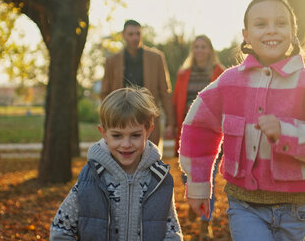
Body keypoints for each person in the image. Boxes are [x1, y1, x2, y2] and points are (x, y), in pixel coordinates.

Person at [179, 0, 305, 241]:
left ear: (293, 32)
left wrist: (288, 133)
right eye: (261, 24)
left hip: (296, 208)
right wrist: (199, 186)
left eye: (281, 23)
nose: (271, 30)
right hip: (244, 205)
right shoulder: (229, 82)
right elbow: (199, 128)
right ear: (246, 35)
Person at [50, 87, 183, 241]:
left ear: (148, 131)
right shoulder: (92, 177)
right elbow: (60, 229)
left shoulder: (159, 179)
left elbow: (172, 232)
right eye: (117, 135)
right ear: (104, 133)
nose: (126, 144)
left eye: (135, 135)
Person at [171, 35, 224, 234]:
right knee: (188, 174)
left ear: (210, 50)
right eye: (197, 47)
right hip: (187, 133)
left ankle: (205, 223)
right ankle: (194, 202)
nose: (200, 50)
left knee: (207, 177)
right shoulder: (184, 74)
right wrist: (171, 125)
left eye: (204, 47)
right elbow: (177, 100)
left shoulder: (220, 73)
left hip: (211, 134)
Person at [101, 19, 176, 148]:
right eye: (131, 34)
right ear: (123, 35)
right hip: (120, 117)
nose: (135, 38)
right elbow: (105, 93)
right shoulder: (112, 60)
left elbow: (164, 91)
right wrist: (105, 121)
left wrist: (170, 122)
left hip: (147, 116)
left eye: (138, 34)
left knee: (150, 157)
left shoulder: (156, 58)